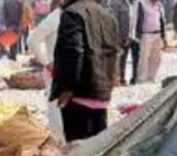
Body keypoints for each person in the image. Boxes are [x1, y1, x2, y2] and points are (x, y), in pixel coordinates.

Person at [51, 0, 120, 142]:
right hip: (101, 94)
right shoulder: (108, 15)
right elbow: (114, 52)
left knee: (78, 153)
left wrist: (67, 87)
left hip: (79, 94)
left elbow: (74, 51)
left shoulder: (72, 13)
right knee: (97, 151)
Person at [27, 0, 63, 141]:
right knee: (56, 110)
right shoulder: (56, 17)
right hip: (57, 71)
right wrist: (47, 62)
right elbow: (32, 40)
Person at [109, 0, 140, 85]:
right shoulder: (116, 3)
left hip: (135, 36)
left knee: (136, 59)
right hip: (122, 36)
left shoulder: (138, 3)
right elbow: (114, 21)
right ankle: (121, 79)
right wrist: (119, 37)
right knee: (121, 60)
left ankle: (134, 78)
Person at [136, 0, 166, 83]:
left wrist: (164, 35)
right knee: (144, 57)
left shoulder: (159, 4)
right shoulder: (142, 3)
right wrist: (137, 34)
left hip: (158, 33)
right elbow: (138, 19)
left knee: (156, 57)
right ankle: (141, 78)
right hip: (146, 34)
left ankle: (151, 77)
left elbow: (162, 20)